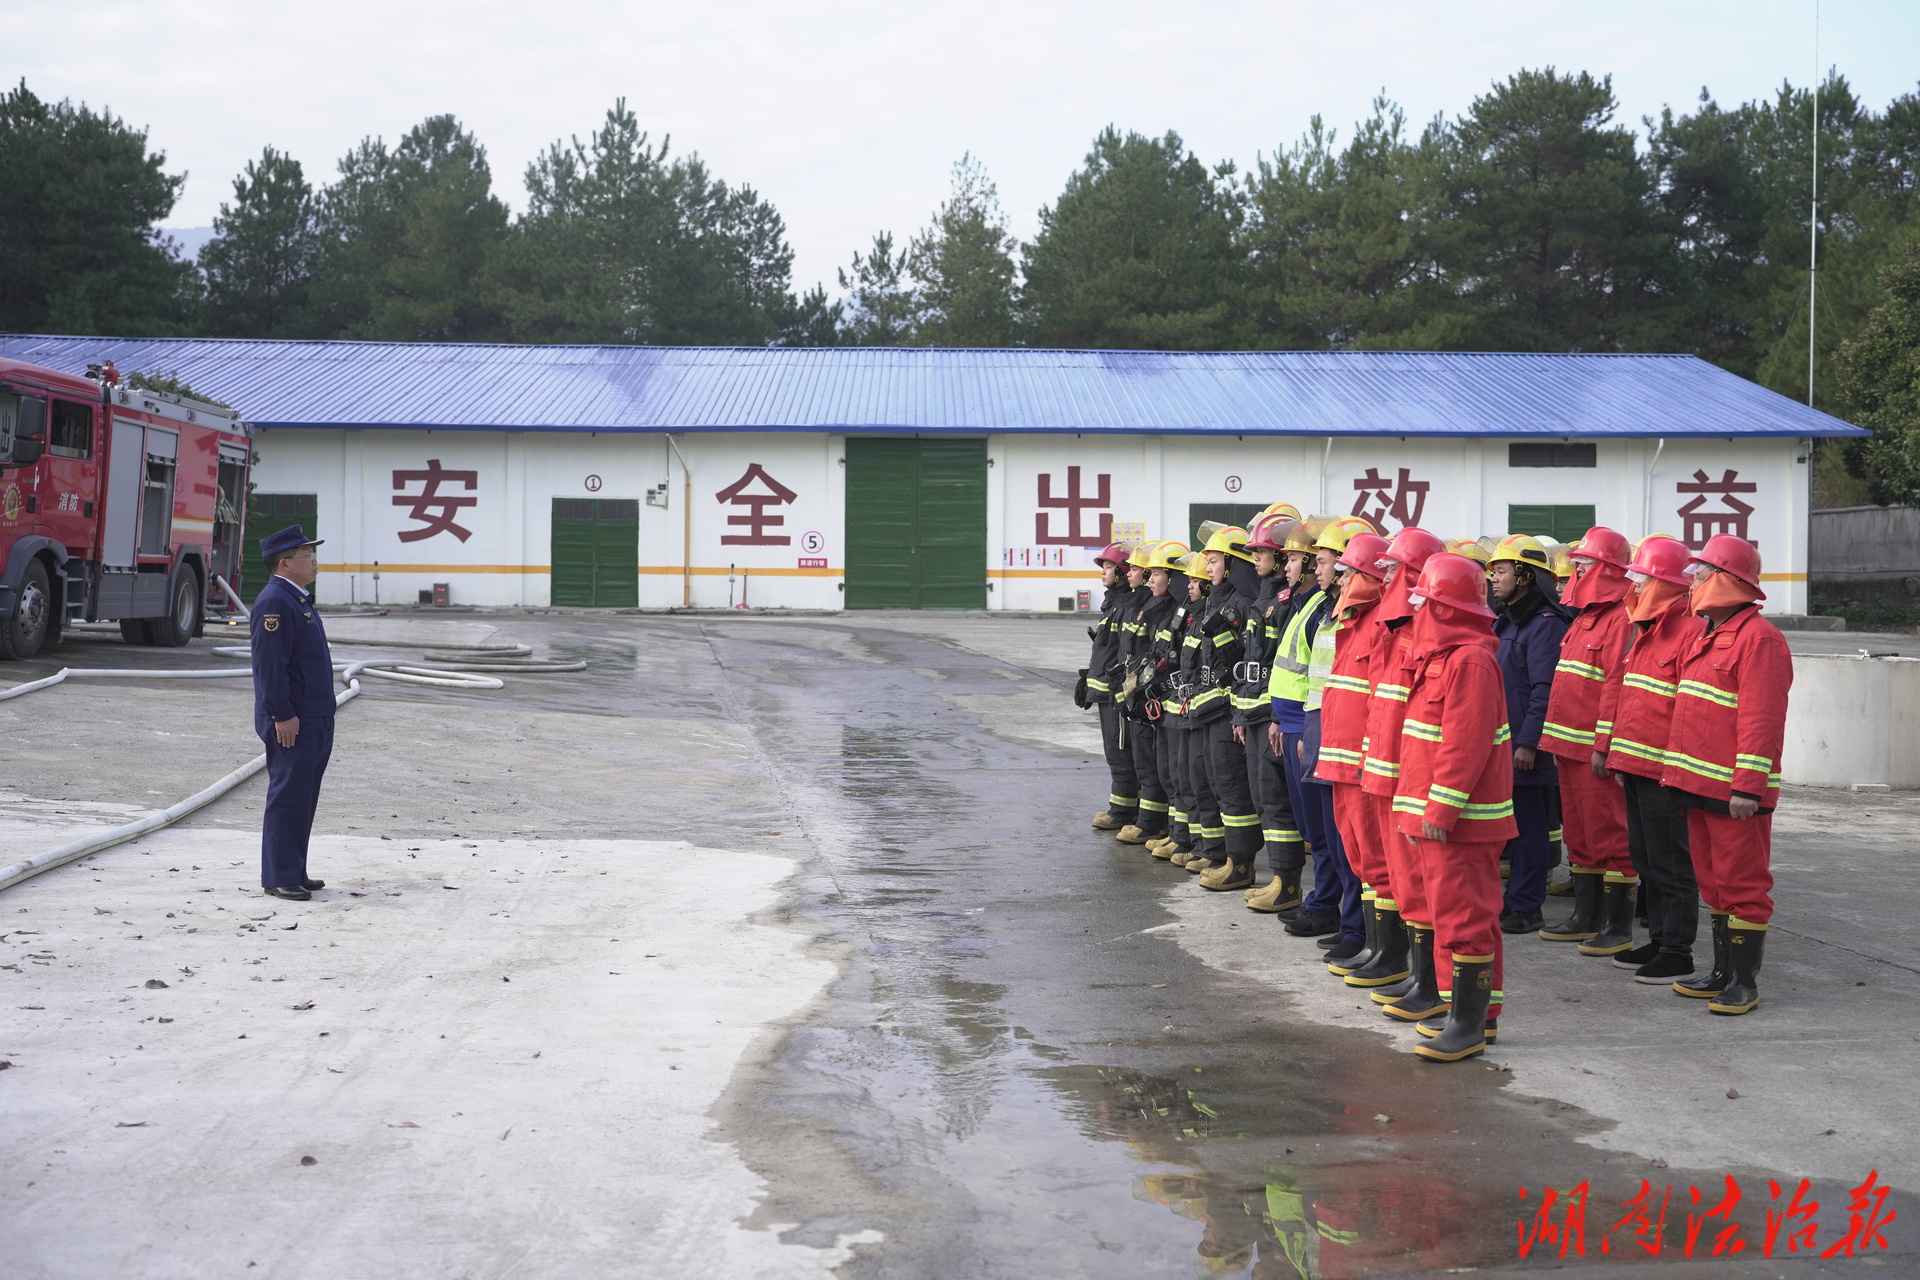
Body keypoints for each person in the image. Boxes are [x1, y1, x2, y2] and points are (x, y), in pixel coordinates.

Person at [1658, 535, 1792, 1015]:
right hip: (1697, 786)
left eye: (1699, 575)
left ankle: (1744, 982)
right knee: (1713, 884)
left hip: (1734, 793)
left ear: (1725, 580)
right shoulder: (1706, 634)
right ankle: (1720, 972)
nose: (1690, 584)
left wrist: (1748, 788)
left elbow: (1761, 720)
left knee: (1743, 885)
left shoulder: (1760, 639)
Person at [1393, 552, 1518, 1063]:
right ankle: (1470, 1015)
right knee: (1457, 916)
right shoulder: (1447, 658)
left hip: (1460, 822)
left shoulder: (1469, 661)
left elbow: (1464, 745)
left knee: (1465, 918)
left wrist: (1440, 811)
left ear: (1445, 609)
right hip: (1441, 817)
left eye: (1426, 600)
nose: (1418, 609)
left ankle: (1468, 1025)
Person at [1590, 535, 1697, 972]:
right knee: (1646, 858)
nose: (1636, 586)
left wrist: (1670, 768)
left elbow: (1687, 712)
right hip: (1635, 765)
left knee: (1671, 863)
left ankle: (1677, 952)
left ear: (1669, 584)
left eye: (1646, 578)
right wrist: (1618, 757)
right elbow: (1630, 699)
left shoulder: (1689, 632)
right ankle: (1659, 940)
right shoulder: (1647, 631)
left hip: (1664, 772)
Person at [1357, 527, 1449, 1023]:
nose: (1383, 576)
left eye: (1393, 568)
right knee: (1404, 882)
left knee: (1424, 885)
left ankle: (1434, 985)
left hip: (1411, 779)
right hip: (1387, 772)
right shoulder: (1395, 630)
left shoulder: (1421, 635)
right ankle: (1418, 976)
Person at [1311, 528, 1407, 987]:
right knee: (1361, 856)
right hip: (1340, 759)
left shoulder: (1381, 627)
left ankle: (1391, 953)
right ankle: (1375, 945)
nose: (1341, 580)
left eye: (1349, 572)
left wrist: (1371, 759)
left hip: (1364, 764)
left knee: (1379, 858)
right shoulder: (1352, 622)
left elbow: (1382, 704)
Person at [1536, 528, 1636, 943]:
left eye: (1587, 562)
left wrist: (1603, 745)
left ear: (1610, 569)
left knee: (1611, 835)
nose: (1576, 568)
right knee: (1580, 835)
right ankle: (1586, 916)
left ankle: (1616, 926)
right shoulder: (1585, 618)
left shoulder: (1619, 619)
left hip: (1592, 751)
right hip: (1567, 747)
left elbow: (1616, 685)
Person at [1487, 535, 1571, 934]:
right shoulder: (1507, 619)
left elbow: (1544, 689)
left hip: (1524, 746)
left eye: (1501, 570)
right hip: (1503, 742)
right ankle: (1513, 899)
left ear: (1523, 576)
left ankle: (1526, 905)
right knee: (1508, 829)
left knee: (1530, 832)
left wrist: (1528, 743)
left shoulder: (1545, 625)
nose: (1494, 578)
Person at [250, 525, 337, 901]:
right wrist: (281, 714)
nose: (314, 561)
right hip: (293, 720)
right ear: (285, 563)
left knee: (304, 796)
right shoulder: (275, 602)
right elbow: (270, 667)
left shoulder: (297, 599)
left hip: (315, 715)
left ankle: (294, 870)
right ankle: (279, 876)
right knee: (288, 795)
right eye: (307, 555)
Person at [1236, 505, 1308, 911]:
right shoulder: (1266, 597)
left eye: (1262, 551)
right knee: (1264, 799)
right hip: (1257, 712)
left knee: (1277, 801)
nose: (1256, 558)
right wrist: (1241, 714)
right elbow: (1252, 661)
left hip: (1273, 715)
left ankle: (1289, 884)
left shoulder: (1285, 601)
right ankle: (1280, 878)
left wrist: (1273, 716)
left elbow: (1281, 665)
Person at [1189, 526, 1264, 890]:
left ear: (1233, 565)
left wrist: (1239, 716)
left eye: (1215, 561)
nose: (1209, 568)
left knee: (1233, 787)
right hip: (1211, 708)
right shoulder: (1216, 601)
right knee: (1219, 784)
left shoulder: (1240, 604)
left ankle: (1242, 864)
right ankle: (1230, 857)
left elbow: (1241, 661)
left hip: (1228, 709)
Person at [1084, 542, 1139, 832]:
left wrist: (1119, 692)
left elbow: (1124, 656)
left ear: (1121, 572)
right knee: (1114, 751)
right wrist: (1088, 681)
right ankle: (1124, 809)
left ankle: (1122, 812)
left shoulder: (1126, 607)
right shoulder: (1114, 604)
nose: (1102, 573)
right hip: (1105, 692)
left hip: (1116, 695)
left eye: (1107, 567)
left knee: (1120, 752)